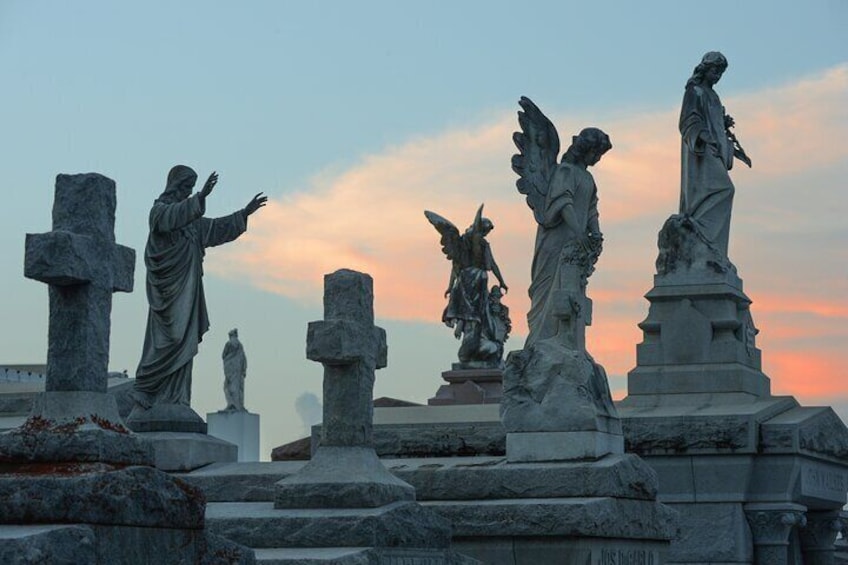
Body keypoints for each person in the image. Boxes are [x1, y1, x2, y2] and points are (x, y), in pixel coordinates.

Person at [133, 165, 266, 408]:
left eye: (191, 189)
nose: (188, 192)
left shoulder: (193, 223)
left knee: (185, 343)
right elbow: (170, 218)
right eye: (185, 187)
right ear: (174, 186)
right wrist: (200, 197)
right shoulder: (159, 212)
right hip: (169, 294)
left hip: (189, 290)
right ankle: (148, 390)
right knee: (171, 339)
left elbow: (215, 229)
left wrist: (244, 213)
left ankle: (177, 399)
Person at [526, 127, 611, 347]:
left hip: (575, 245)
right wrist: (578, 231)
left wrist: (596, 233)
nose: (598, 158)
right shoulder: (565, 171)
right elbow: (563, 202)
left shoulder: (588, 178)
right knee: (546, 291)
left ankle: (566, 340)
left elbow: (591, 209)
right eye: (597, 153)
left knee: (571, 289)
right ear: (586, 149)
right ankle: (541, 342)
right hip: (556, 241)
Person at [679, 51, 750, 258]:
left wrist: (722, 123)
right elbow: (688, 120)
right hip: (702, 149)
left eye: (720, 72)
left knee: (724, 190)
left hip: (716, 148)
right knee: (724, 189)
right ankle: (701, 232)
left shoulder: (714, 96)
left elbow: (714, 122)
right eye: (714, 70)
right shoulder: (695, 90)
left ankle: (713, 246)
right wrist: (703, 135)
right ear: (705, 68)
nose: (717, 75)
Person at [222, 328, 247, 411]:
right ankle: (239, 405)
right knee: (238, 387)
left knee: (227, 386)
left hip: (230, 369)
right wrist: (244, 370)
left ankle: (232, 404)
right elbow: (244, 359)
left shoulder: (229, 344)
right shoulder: (240, 345)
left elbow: (223, 355)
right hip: (238, 370)